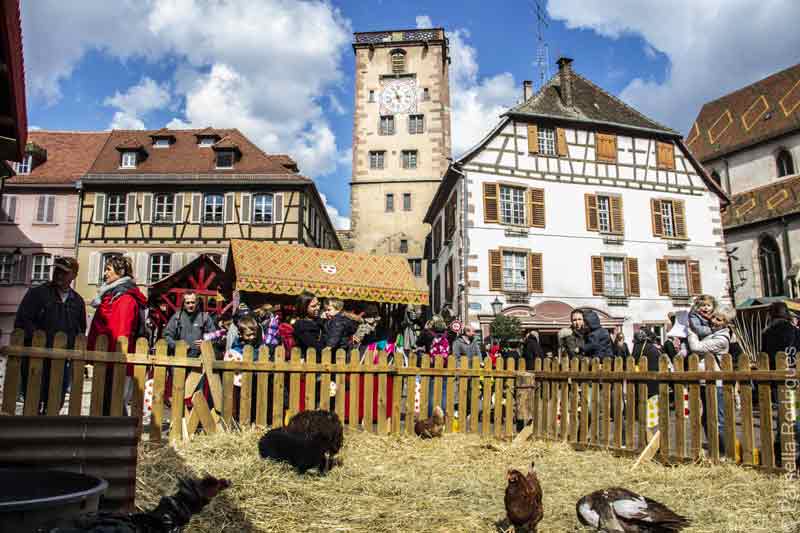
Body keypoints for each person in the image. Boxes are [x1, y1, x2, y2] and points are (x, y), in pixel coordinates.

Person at [14, 256, 86, 412]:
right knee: (32, 400)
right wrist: (38, 341)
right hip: (36, 357)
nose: (59, 274)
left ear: (73, 275)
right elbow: (23, 321)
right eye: (57, 270)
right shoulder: (37, 294)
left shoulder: (77, 301)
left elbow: (80, 330)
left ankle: (47, 431)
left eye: (64, 272)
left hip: (61, 358)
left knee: (55, 401)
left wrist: (73, 351)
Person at [87, 255, 147, 415]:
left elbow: (122, 334)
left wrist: (116, 359)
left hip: (117, 363)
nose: (104, 273)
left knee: (114, 405)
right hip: (107, 360)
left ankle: (119, 437)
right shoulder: (110, 296)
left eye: (108, 269)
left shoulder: (125, 299)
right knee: (106, 404)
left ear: (120, 272)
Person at [687, 306, 736, 456]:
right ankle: (715, 448)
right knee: (706, 418)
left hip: (716, 384)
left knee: (718, 419)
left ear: (726, 323)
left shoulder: (721, 339)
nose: (713, 321)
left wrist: (690, 331)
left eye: (719, 319)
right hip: (705, 381)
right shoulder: (712, 333)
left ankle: (724, 452)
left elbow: (696, 347)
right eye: (714, 317)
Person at [163, 292, 216, 358]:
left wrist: (205, 342)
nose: (190, 305)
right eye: (188, 303)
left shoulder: (205, 318)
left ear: (196, 302)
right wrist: (177, 345)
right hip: (179, 358)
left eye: (193, 302)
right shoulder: (177, 317)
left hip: (200, 359)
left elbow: (214, 336)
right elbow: (166, 336)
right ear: (184, 304)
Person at [293, 291, 323, 361]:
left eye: (318, 304)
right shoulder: (301, 325)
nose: (318, 308)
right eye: (313, 306)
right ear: (304, 307)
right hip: (309, 361)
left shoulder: (319, 321)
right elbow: (313, 345)